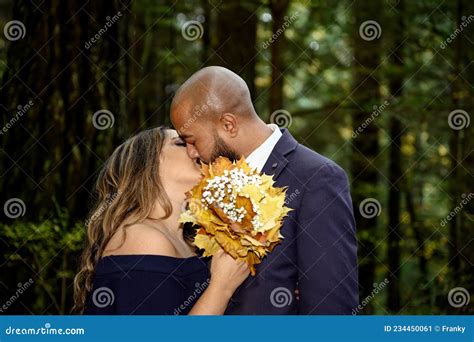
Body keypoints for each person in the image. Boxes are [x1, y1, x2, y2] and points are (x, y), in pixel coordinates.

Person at [170, 66, 359, 314]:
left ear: (228, 124)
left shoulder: (316, 179)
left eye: (192, 141)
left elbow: (332, 311)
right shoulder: (206, 185)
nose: (190, 153)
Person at [73, 127, 249, 315]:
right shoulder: (142, 238)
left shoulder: (188, 241)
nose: (196, 149)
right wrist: (221, 288)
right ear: (146, 164)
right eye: (181, 143)